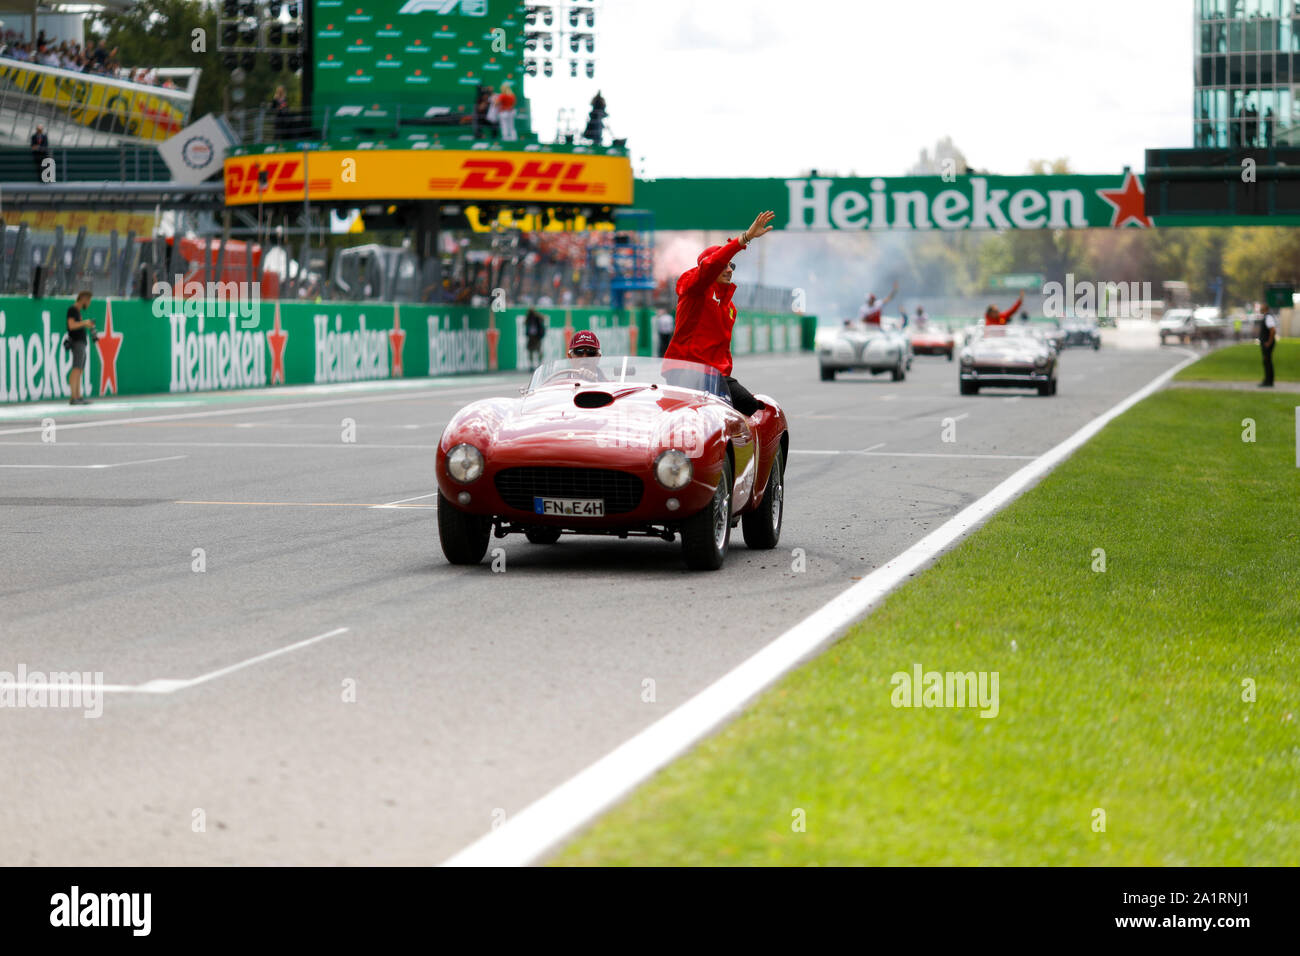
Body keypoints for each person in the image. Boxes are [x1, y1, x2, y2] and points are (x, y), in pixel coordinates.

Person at [664, 210, 776, 416]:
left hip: (714, 376)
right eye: (723, 265)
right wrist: (745, 238)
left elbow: (723, 351)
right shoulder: (693, 287)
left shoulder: (730, 307)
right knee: (745, 406)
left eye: (731, 265)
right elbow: (710, 265)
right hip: (686, 372)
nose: (729, 269)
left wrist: (726, 377)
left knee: (748, 408)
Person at [66, 290, 96, 405]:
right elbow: (71, 325)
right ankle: (73, 396)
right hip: (77, 342)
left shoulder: (77, 311)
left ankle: (78, 395)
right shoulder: (73, 310)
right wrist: (84, 323)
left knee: (80, 369)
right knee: (76, 368)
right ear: (84, 299)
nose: (88, 304)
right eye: (88, 301)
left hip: (81, 343)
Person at [1258, 302, 1278, 387]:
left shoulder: (1268, 317)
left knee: (1267, 361)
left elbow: (1273, 330)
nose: (1260, 309)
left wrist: (1269, 342)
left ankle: (1268, 381)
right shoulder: (1266, 317)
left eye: (1261, 307)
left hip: (1267, 343)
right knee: (1267, 361)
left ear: (1265, 308)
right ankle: (1268, 380)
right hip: (1266, 343)